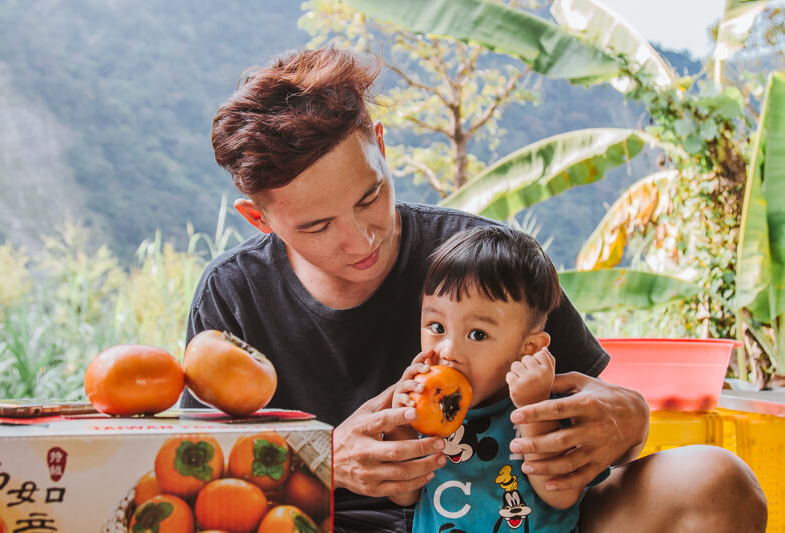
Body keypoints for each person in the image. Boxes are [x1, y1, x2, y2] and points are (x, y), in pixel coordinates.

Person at [182, 46, 767, 532]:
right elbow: (203, 487)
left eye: (370, 197)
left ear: (381, 147)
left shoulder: (487, 259)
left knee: (717, 484)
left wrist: (629, 421)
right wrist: (323, 463)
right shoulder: (233, 296)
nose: (361, 239)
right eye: (316, 226)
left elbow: (594, 426)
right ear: (260, 221)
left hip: (519, 516)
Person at [389, 225, 609, 531]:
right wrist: (401, 425)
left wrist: (533, 410)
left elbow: (562, 495)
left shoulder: (553, 408)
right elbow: (403, 494)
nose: (448, 351)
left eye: (477, 334)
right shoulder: (426, 410)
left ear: (527, 349)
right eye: (436, 327)